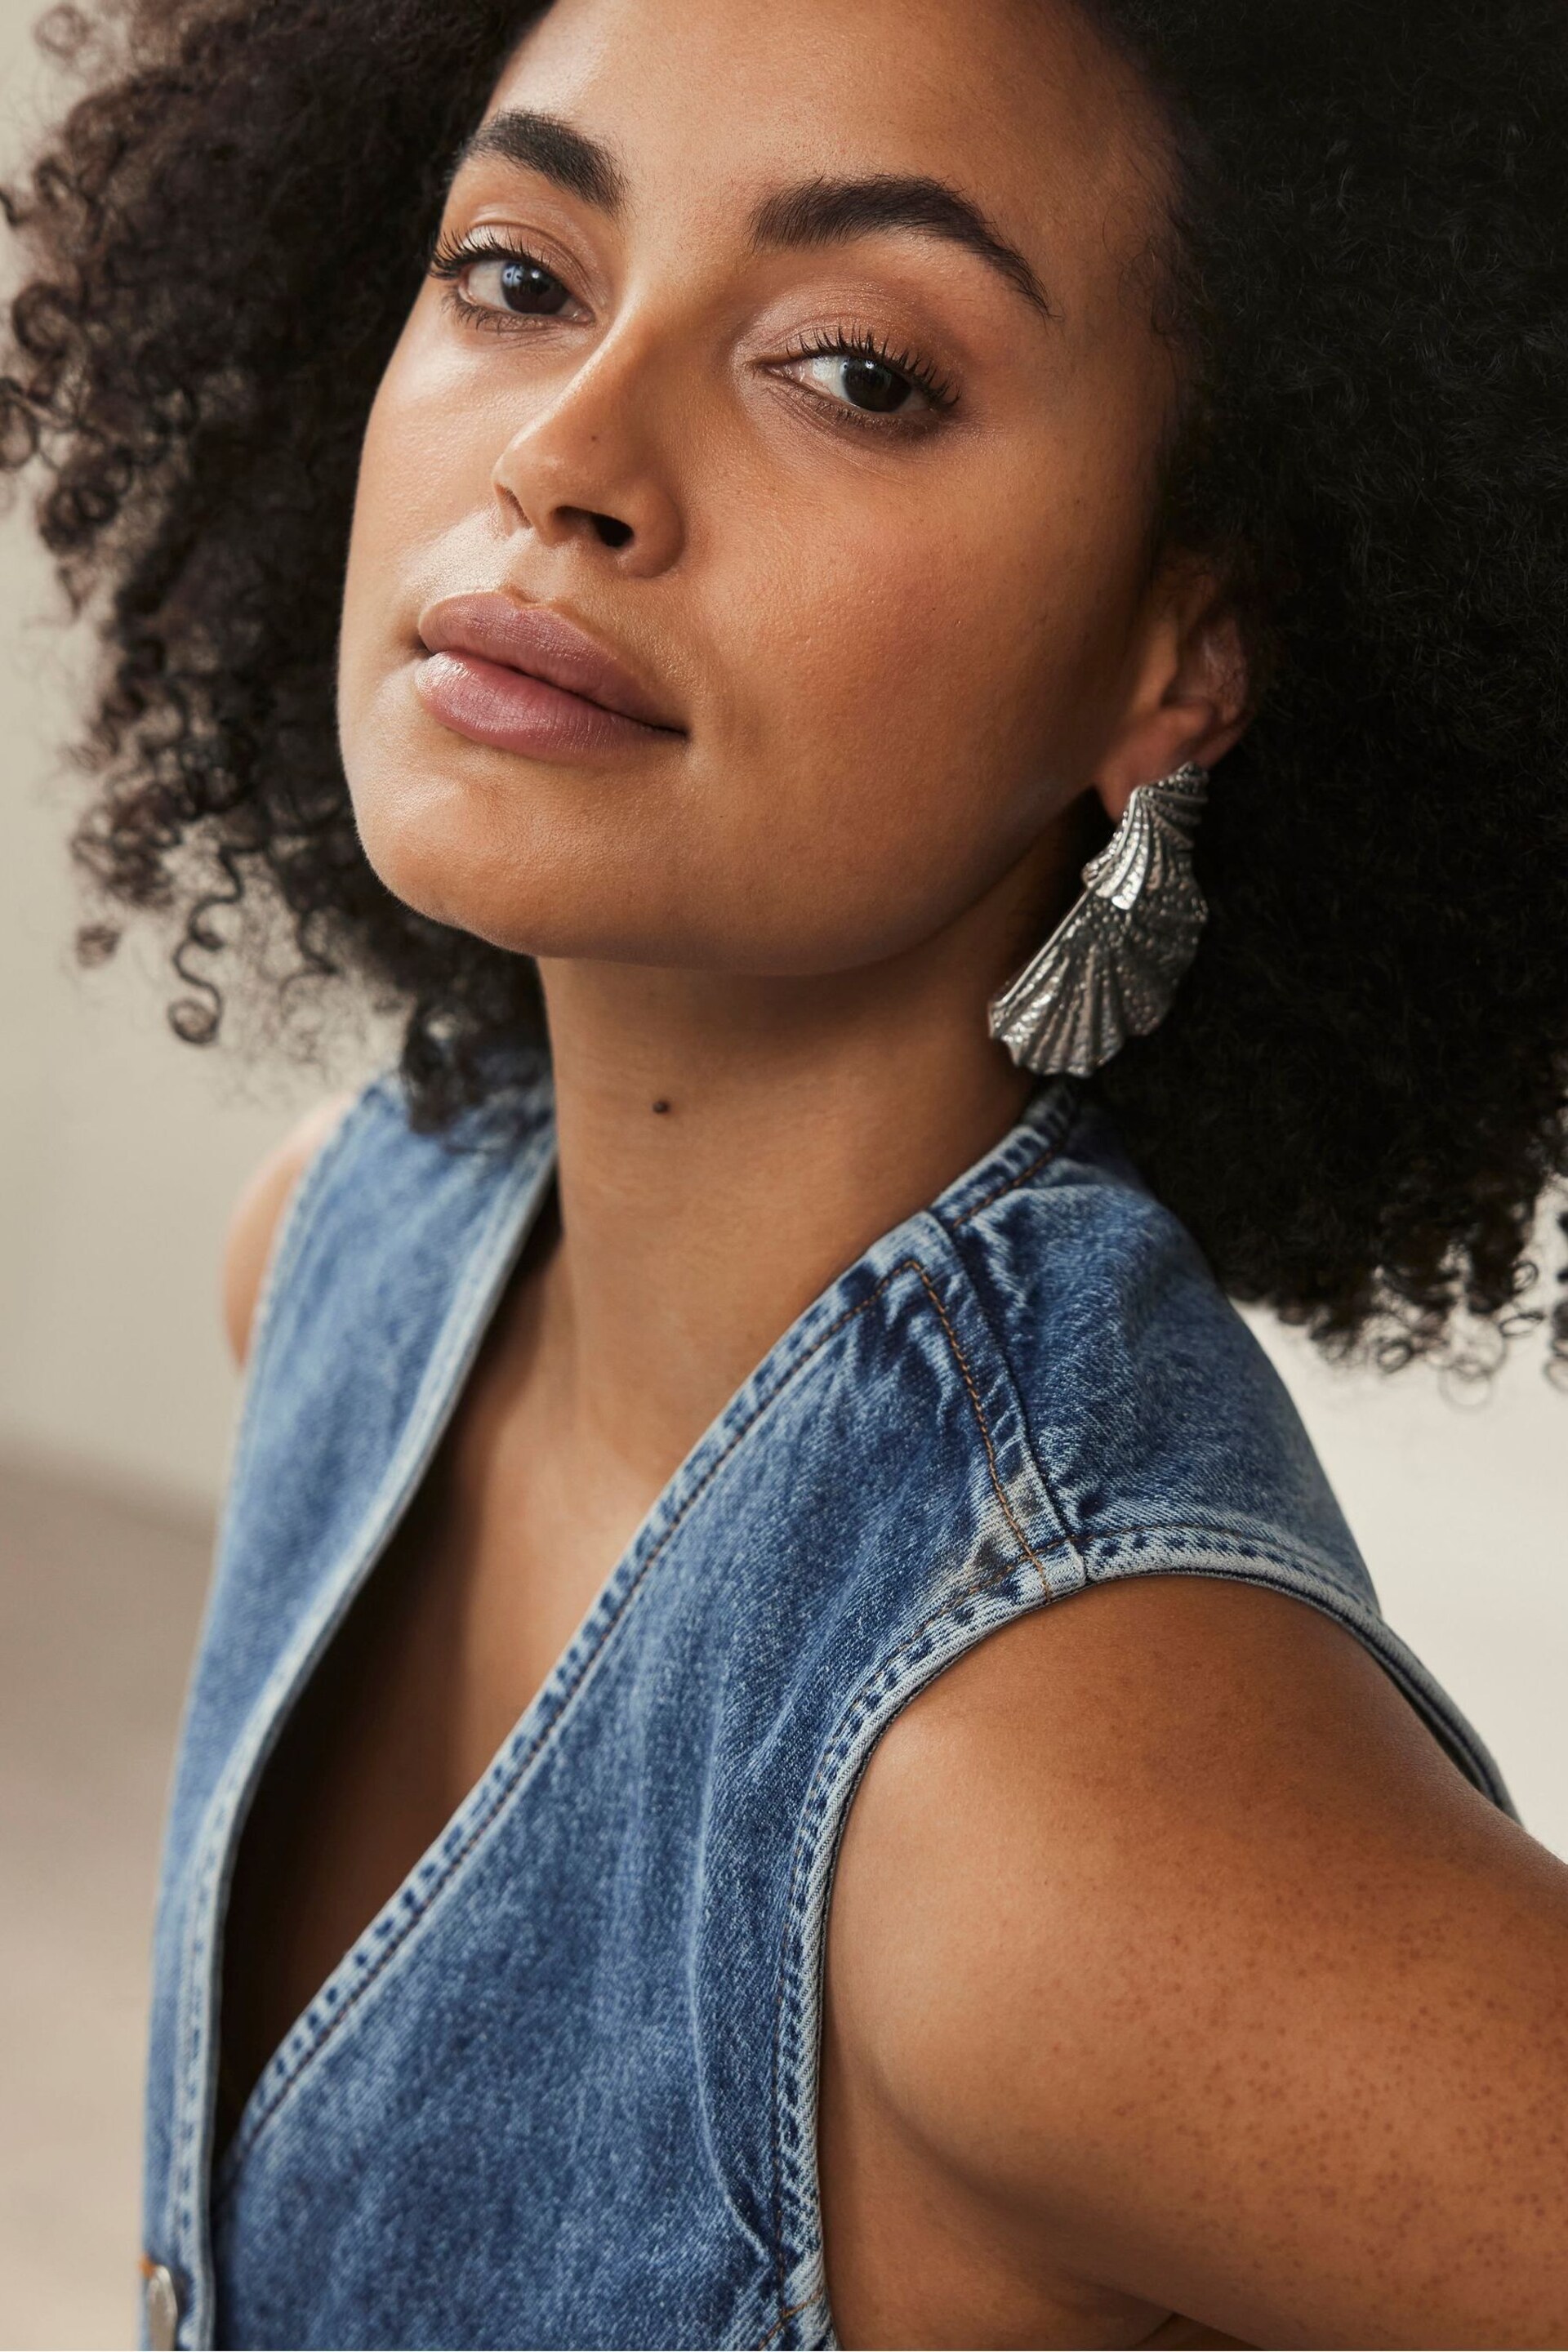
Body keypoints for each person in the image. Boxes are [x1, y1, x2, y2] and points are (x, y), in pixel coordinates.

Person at [6, 0, 1568, 2343]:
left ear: (1188, 653)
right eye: (521, 272)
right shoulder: (348, 1248)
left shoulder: (1041, 1796)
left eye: (855, 367)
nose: (566, 450)